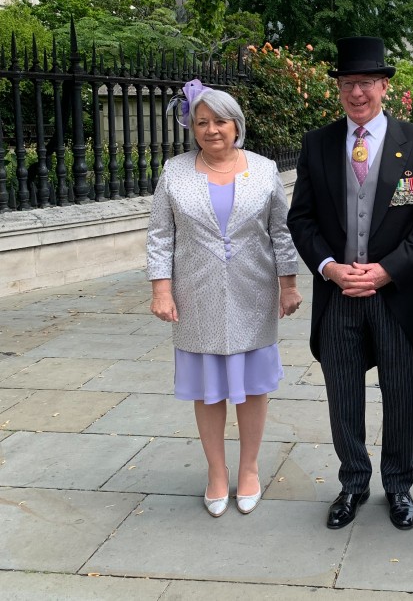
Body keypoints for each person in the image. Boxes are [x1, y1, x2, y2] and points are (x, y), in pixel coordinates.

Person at [287, 36, 413, 531]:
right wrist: (329, 267)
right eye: (348, 83)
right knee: (343, 393)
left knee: (401, 392)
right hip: (337, 295)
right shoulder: (317, 144)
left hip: (394, 296)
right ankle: (354, 482)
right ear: (339, 88)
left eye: (366, 83)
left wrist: (387, 270)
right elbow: (302, 219)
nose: (357, 93)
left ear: (385, 86)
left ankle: (398, 486)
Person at [147, 81, 302, 518]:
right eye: (202, 122)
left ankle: (249, 469)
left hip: (254, 293)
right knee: (208, 391)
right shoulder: (174, 172)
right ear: (191, 127)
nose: (211, 130)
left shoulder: (264, 168)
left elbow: (281, 232)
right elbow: (160, 234)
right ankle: (217, 472)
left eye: (220, 121)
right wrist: (161, 289)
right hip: (195, 295)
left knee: (253, 388)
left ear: (236, 125)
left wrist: (288, 285)